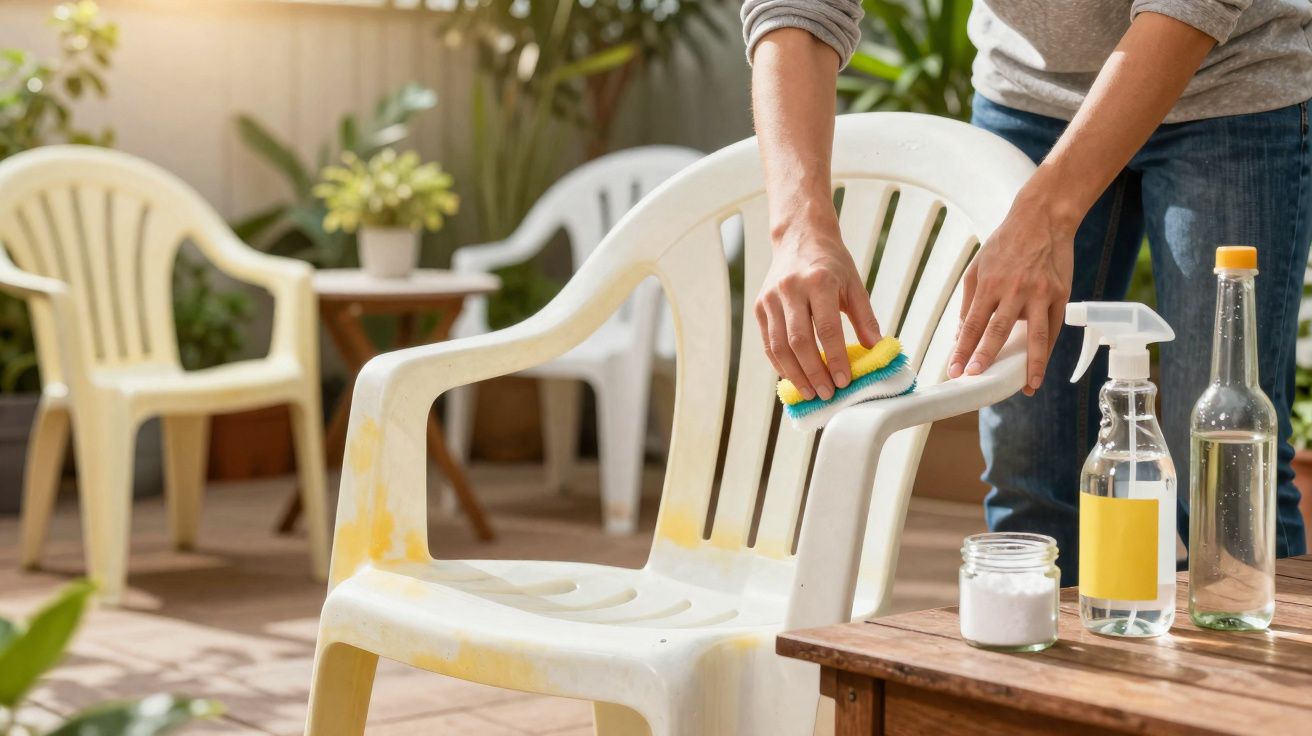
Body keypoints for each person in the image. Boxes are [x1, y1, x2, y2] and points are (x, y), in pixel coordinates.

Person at [742, 0, 1312, 583]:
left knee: (1223, 472)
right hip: (1032, 96)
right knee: (1029, 470)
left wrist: (1045, 216)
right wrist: (798, 228)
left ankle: (1264, 673)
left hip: (1228, 86)